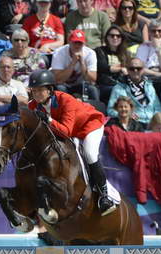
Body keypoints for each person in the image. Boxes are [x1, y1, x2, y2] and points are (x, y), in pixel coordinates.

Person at [28, 69, 116, 216]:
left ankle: (104, 196)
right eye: (34, 90)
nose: (36, 94)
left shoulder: (66, 100)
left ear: (49, 90)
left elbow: (66, 132)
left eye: (40, 90)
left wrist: (48, 119)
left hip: (89, 126)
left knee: (89, 153)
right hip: (70, 130)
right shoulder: (33, 106)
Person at [107, 57, 161, 125]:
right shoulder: (119, 88)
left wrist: (157, 119)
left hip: (152, 123)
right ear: (127, 70)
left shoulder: (149, 85)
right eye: (132, 69)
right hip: (133, 123)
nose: (135, 71)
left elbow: (157, 107)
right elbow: (111, 110)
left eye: (138, 68)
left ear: (143, 70)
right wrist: (127, 115)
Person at [51, 29, 100, 101]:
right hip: (64, 84)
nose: (77, 46)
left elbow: (92, 80)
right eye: (75, 42)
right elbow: (58, 80)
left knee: (92, 89)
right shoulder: (59, 52)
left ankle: (95, 108)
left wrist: (82, 63)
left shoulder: (90, 53)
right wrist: (73, 63)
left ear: (84, 44)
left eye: (80, 43)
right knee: (60, 88)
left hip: (81, 85)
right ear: (69, 42)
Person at [95, 24, 130, 102]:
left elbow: (129, 69)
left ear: (122, 38)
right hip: (106, 85)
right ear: (107, 37)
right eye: (112, 35)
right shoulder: (100, 51)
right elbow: (102, 67)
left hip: (123, 83)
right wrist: (120, 69)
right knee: (119, 91)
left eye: (118, 36)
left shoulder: (126, 53)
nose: (115, 38)